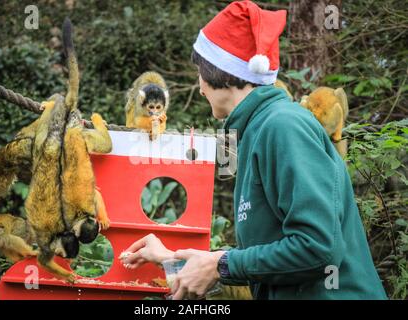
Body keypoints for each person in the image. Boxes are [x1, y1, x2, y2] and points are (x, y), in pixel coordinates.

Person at [120, 0, 387, 300]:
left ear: (219, 72)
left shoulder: (283, 127)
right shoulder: (255, 131)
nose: (199, 88)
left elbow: (317, 247)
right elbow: (272, 256)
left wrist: (220, 264)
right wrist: (182, 260)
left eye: (199, 74)